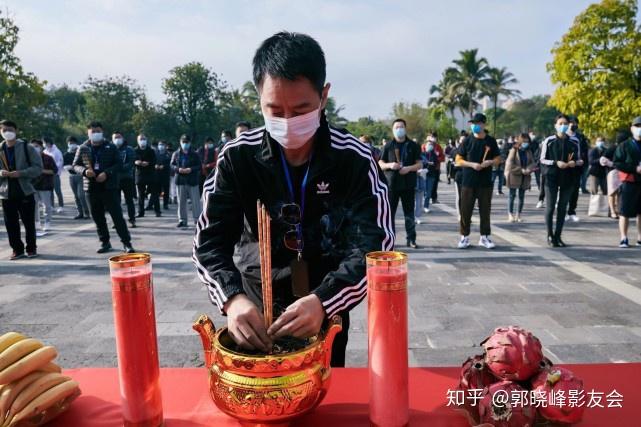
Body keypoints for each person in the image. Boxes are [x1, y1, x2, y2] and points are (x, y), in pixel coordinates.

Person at [193, 32, 392, 367]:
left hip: (325, 303)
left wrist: (325, 302)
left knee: (324, 393)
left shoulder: (354, 159)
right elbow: (208, 244)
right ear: (258, 100)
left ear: (324, 95)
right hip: (254, 303)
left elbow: (376, 248)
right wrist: (232, 299)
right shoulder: (237, 158)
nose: (288, 123)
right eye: (275, 110)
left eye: (301, 109)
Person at [73, 121, 134, 254]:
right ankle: (105, 242)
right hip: (90, 187)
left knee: (117, 216)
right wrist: (84, 171)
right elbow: (75, 165)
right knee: (98, 217)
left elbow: (118, 164)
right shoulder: (82, 147)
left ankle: (126, 243)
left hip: (109, 186)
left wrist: (107, 173)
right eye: (93, 131)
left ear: (102, 132)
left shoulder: (111, 147)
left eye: (98, 131)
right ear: (88, 132)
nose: (95, 134)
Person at [455, 113, 501, 249]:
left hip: (485, 182)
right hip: (468, 182)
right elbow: (458, 160)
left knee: (485, 210)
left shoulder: (491, 141)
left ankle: (484, 237)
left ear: (483, 124)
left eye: (477, 123)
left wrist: (491, 162)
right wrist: (471, 164)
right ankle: (464, 237)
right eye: (473, 123)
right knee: (465, 210)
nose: (474, 126)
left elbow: (499, 159)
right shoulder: (467, 141)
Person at [0, 119, 43, 259]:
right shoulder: (0, 149)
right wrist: (1, 173)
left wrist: (21, 173)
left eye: (10, 130)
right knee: (10, 224)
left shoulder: (26, 147)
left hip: (25, 191)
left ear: (16, 131)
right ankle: (17, 250)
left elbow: (38, 168)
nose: (7, 133)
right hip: (6, 193)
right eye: (4, 130)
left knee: (28, 222)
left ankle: (31, 248)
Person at [379, 118, 422, 248]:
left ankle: (411, 239)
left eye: (401, 127)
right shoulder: (388, 146)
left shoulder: (413, 145)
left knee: (409, 213)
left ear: (405, 128)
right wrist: (390, 165)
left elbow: (419, 164)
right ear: (393, 130)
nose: (399, 129)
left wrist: (408, 168)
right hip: (391, 185)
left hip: (408, 184)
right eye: (396, 127)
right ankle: (389, 240)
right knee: (389, 215)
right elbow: (380, 164)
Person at [540, 114, 579, 248]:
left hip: (568, 177)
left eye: (565, 123)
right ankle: (550, 235)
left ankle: (558, 236)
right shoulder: (549, 140)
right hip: (551, 176)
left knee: (563, 207)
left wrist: (575, 162)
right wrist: (556, 163)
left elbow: (579, 159)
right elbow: (542, 159)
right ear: (555, 125)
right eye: (560, 123)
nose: (563, 126)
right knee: (550, 207)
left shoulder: (574, 142)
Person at [613, 116, 641, 248]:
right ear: (632, 128)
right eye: (637, 126)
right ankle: (623, 237)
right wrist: (634, 168)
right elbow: (617, 163)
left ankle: (640, 237)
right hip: (629, 181)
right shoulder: (624, 145)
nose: (639, 129)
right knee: (625, 211)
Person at [171, 135, 201, 228]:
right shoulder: (176, 154)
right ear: (180, 142)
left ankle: (197, 220)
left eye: (187, 142)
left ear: (190, 143)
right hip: (180, 180)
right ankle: (182, 220)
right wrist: (178, 169)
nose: (185, 144)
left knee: (196, 202)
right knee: (181, 202)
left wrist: (191, 169)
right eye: (183, 142)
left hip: (192, 180)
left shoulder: (195, 154)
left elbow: (199, 166)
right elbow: (172, 165)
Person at [504, 133, 535, 222]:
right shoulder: (514, 150)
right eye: (524, 141)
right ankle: (510, 214)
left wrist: (528, 169)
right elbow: (509, 164)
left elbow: (533, 162)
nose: (526, 143)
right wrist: (521, 170)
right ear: (520, 141)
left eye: (527, 141)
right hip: (514, 175)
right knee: (512, 195)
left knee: (521, 196)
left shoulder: (528, 151)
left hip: (525, 176)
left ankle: (519, 214)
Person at [31, 139, 57, 237]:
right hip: (32, 186)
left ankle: (47, 223)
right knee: (34, 206)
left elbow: (54, 171)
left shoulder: (48, 158)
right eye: (32, 146)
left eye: (36, 146)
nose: (35, 148)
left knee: (47, 206)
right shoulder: (29, 159)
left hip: (45, 185)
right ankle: (37, 223)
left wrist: (42, 171)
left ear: (42, 147)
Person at [566, 116, 589, 222]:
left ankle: (572, 211)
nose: (573, 124)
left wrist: (583, 162)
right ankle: (563, 211)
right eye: (571, 122)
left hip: (577, 167)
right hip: (564, 167)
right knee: (565, 189)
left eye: (575, 123)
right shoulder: (563, 136)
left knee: (575, 190)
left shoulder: (580, 137)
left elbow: (584, 151)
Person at [113, 132, 137, 227]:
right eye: (115, 137)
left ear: (123, 138)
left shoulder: (129, 149)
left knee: (129, 200)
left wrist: (119, 167)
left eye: (119, 137)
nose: (117, 139)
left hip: (127, 178)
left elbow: (131, 163)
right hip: (115, 179)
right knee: (115, 202)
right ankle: (117, 221)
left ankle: (132, 219)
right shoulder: (111, 149)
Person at [134, 133, 160, 218]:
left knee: (154, 194)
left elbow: (154, 161)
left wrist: (148, 163)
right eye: (140, 139)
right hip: (140, 174)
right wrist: (136, 162)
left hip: (150, 174)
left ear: (146, 140)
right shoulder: (135, 151)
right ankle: (140, 212)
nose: (142, 141)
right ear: (137, 141)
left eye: (144, 139)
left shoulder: (151, 150)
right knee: (141, 195)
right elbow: (132, 161)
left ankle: (157, 211)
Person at [63, 136, 90, 219]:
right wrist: (71, 167)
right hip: (72, 176)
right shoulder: (66, 154)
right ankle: (80, 212)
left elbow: (84, 164)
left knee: (81, 195)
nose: (72, 145)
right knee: (76, 196)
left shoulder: (80, 151)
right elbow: (65, 165)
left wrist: (74, 167)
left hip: (81, 176)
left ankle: (86, 212)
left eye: (73, 143)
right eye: (70, 143)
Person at [43, 137, 64, 213]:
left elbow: (60, 163)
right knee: (50, 191)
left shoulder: (57, 151)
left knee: (57, 190)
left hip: (54, 174)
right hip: (47, 174)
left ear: (49, 142)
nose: (44, 144)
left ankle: (61, 206)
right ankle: (51, 206)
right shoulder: (45, 151)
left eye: (45, 143)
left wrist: (54, 170)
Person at [426, 131, 444, 204]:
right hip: (426, 169)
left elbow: (442, 157)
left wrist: (436, 160)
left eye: (434, 137)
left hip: (435, 168)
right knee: (426, 184)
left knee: (435, 184)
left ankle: (434, 198)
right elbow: (421, 156)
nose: (433, 138)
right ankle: (426, 198)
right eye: (431, 136)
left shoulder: (438, 147)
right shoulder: (424, 146)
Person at [155, 140, 172, 210]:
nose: (161, 146)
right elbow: (152, 161)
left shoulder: (168, 154)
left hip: (165, 174)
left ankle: (165, 204)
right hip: (156, 174)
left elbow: (170, 164)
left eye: (162, 145)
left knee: (166, 190)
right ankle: (154, 204)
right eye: (160, 144)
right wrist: (155, 165)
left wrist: (164, 166)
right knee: (156, 191)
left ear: (165, 146)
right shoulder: (155, 153)